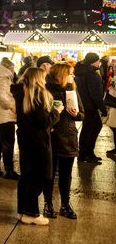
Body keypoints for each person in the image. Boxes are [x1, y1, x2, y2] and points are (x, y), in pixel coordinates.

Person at [12, 67, 62, 225]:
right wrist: (56, 112)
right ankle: (31, 213)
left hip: (25, 139)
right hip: (39, 141)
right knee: (40, 176)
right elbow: (44, 121)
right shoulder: (38, 95)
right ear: (38, 79)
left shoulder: (21, 93)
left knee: (26, 176)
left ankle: (22, 211)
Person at [43, 63, 83, 220]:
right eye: (69, 74)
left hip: (69, 137)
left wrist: (75, 114)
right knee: (49, 173)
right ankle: (48, 203)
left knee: (66, 174)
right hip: (51, 138)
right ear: (60, 75)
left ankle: (65, 204)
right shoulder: (46, 91)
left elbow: (82, 114)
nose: (72, 77)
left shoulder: (72, 91)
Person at [75, 52, 107, 163]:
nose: (99, 63)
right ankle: (86, 154)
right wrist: (103, 108)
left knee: (89, 129)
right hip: (90, 107)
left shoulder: (80, 72)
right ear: (94, 62)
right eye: (98, 61)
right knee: (91, 129)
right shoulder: (92, 74)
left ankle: (86, 153)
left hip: (84, 105)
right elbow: (96, 94)